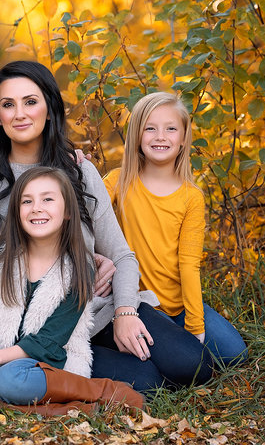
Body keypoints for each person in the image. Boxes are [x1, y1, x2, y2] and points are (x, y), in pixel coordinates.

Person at [0, 60, 213, 392]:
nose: (19, 113)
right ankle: (58, 363)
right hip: (38, 321)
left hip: (99, 308)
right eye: (8, 105)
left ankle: (109, 345)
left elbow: (121, 255)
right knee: (148, 382)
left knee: (193, 365)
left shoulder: (79, 172)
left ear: (49, 110)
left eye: (30, 102)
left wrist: (124, 311)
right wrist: (78, 269)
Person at [0, 167, 143, 413]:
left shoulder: (78, 267)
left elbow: (50, 341)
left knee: (11, 379)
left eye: (48, 199)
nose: (36, 208)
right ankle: (64, 410)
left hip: (49, 367)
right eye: (27, 201)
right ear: (16, 211)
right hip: (1, 367)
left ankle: (100, 391)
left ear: (68, 212)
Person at [104, 91, 247, 366]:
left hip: (178, 304)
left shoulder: (191, 197)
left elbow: (189, 265)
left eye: (171, 129)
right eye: (150, 128)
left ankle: (176, 341)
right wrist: (77, 170)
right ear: (136, 136)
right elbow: (83, 206)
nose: (160, 136)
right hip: (136, 304)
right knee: (179, 362)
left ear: (183, 140)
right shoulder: (118, 182)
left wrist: (195, 325)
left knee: (234, 354)